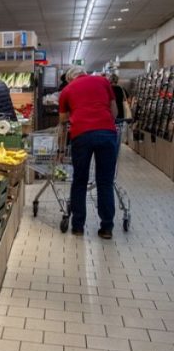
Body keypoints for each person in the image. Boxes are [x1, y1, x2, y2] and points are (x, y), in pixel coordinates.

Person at [58, 66, 119, 239]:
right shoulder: (103, 81)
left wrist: (61, 148)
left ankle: (78, 226)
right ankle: (107, 227)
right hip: (107, 134)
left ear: (70, 79)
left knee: (79, 180)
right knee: (105, 182)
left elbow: (63, 121)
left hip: (81, 135)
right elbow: (114, 111)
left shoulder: (67, 90)